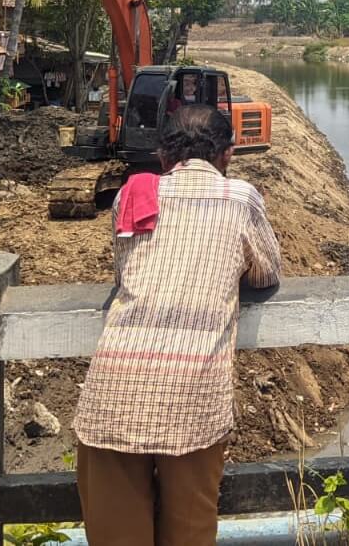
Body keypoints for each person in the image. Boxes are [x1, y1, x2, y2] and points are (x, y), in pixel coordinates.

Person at [72, 104, 282, 545]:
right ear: (227, 155)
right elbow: (266, 273)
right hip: (193, 396)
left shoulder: (132, 195)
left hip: (114, 391)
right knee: (190, 532)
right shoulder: (241, 198)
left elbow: (124, 272)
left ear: (165, 157)